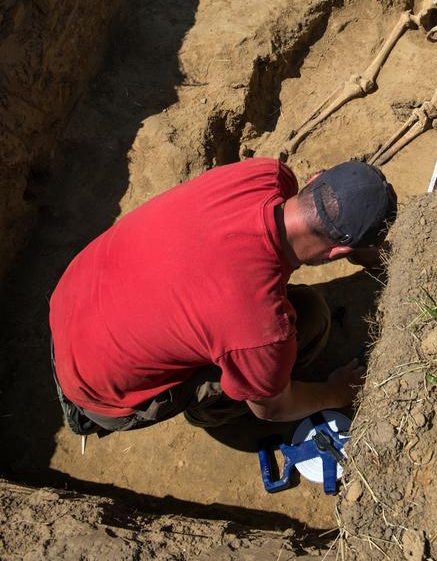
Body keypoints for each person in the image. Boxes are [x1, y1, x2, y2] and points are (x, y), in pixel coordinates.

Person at [49, 158, 397, 436]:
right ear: (339, 251)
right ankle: (208, 411)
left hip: (70, 303)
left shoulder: (265, 175)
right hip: (100, 394)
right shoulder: (264, 331)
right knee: (311, 318)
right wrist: (337, 393)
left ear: (314, 178)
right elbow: (273, 408)